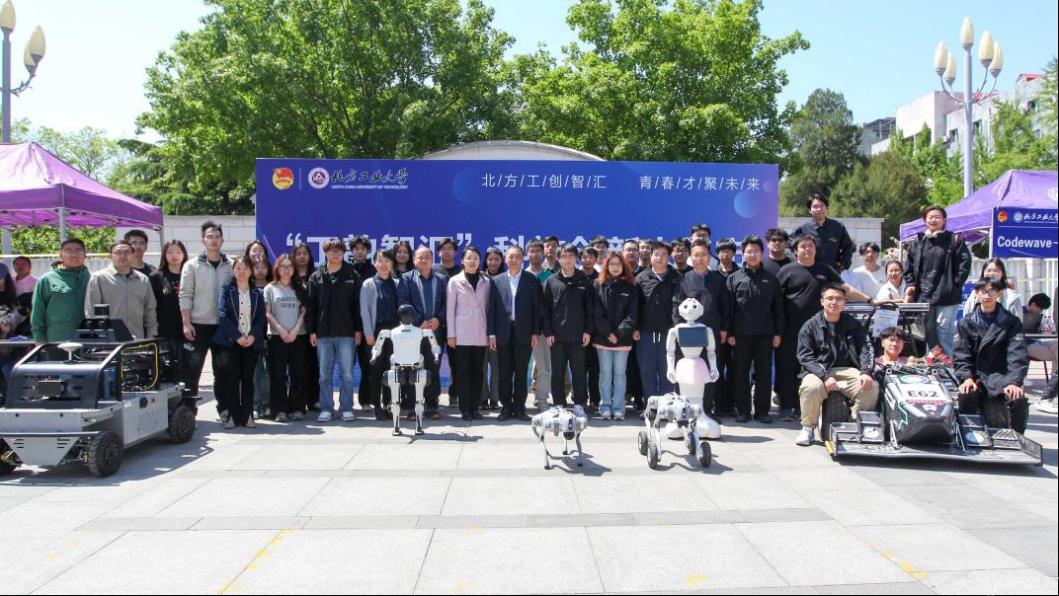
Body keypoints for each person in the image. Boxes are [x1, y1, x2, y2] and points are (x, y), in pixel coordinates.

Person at [775, 236, 871, 422]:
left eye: (810, 246)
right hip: (789, 329)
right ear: (795, 251)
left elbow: (844, 289)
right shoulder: (787, 271)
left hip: (818, 331)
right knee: (787, 368)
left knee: (812, 368)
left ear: (815, 249)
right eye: (803, 246)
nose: (807, 249)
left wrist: (869, 300)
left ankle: (805, 408)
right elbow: (775, 300)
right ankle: (787, 407)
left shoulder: (825, 270)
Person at [795, 284, 878, 446]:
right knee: (811, 387)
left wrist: (866, 372)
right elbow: (805, 357)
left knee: (871, 387)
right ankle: (808, 428)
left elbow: (865, 350)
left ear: (844, 302)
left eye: (839, 299)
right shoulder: (810, 326)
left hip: (848, 370)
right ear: (822, 301)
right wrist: (825, 376)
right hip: (818, 371)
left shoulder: (854, 324)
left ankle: (856, 423)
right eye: (830, 298)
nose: (834, 302)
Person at [954, 279, 1029, 434]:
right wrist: (966, 378)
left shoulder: (1012, 322)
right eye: (983, 291)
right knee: (966, 392)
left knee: (1018, 398)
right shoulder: (965, 323)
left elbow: (1017, 354)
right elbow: (961, 354)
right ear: (976, 294)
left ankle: (1018, 439)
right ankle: (969, 438)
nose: (987, 295)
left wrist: (1014, 382)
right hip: (976, 377)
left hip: (1002, 377)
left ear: (999, 294)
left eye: (991, 291)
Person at [725, 235, 783, 424]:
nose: (752, 254)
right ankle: (743, 410)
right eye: (749, 251)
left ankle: (762, 411)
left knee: (763, 374)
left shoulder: (771, 280)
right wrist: (729, 332)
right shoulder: (734, 278)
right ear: (743, 254)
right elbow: (729, 309)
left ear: (762, 253)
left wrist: (778, 333)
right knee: (740, 374)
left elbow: (778, 309)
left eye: (756, 251)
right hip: (740, 336)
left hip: (765, 335)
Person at [179, 222, 234, 417]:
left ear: (222, 240)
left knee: (223, 371)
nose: (214, 240)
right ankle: (188, 413)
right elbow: (185, 294)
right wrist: (186, 323)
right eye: (210, 237)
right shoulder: (191, 265)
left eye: (217, 236)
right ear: (203, 240)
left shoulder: (231, 265)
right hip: (197, 325)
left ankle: (224, 409)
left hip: (222, 327)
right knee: (191, 372)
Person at [306, 237, 363, 423]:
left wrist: (358, 329)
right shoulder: (316, 276)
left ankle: (346, 407)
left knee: (347, 374)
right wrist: (312, 331)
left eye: (339, 251)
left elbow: (357, 306)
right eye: (332, 250)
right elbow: (311, 307)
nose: (335, 254)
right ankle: (326, 408)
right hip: (323, 333)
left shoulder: (352, 275)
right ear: (325, 253)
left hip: (347, 332)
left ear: (344, 253)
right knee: (325, 374)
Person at [904, 205, 972, 357]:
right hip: (923, 295)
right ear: (925, 220)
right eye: (930, 217)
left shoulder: (954, 240)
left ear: (944, 220)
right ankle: (931, 363)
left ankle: (947, 365)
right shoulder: (918, 241)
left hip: (947, 295)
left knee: (944, 330)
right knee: (926, 331)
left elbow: (964, 265)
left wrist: (954, 283)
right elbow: (909, 266)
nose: (933, 220)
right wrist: (910, 284)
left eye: (937, 217)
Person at [487, 245, 542, 422]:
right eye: (510, 256)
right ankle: (505, 407)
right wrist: (491, 334)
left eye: (517, 256)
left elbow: (537, 308)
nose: (514, 260)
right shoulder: (497, 281)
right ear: (505, 259)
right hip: (502, 333)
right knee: (504, 373)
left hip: (524, 333)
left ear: (522, 259)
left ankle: (519, 407)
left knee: (521, 372)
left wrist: (535, 332)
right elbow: (492, 309)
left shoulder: (531, 279)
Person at [673, 240, 728, 416]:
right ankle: (685, 410)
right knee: (688, 371)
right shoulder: (684, 279)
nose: (700, 258)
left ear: (709, 257)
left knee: (710, 371)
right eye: (696, 255)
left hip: (711, 333)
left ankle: (706, 410)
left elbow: (725, 306)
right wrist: (678, 329)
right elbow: (676, 305)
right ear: (691, 257)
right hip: (689, 334)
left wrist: (724, 328)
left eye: (704, 255)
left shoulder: (718, 279)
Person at [213, 256, 266, 429]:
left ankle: (248, 415)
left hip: (251, 341)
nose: (241, 271)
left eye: (245, 268)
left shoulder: (257, 293)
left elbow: (261, 319)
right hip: (231, 341)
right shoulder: (226, 290)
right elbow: (222, 315)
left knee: (248, 379)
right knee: (232, 379)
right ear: (233, 270)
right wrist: (237, 336)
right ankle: (233, 417)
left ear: (250, 271)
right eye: (238, 268)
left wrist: (253, 336)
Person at [398, 247, 448, 420]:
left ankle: (432, 406)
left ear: (432, 259)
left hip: (435, 333)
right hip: (414, 332)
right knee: (413, 369)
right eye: (420, 257)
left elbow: (446, 303)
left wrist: (438, 319)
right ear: (414, 260)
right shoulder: (406, 278)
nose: (424, 260)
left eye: (427, 257)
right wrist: (418, 322)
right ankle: (413, 407)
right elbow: (403, 302)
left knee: (433, 369)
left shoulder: (442, 279)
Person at [543, 244, 594, 408]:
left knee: (579, 372)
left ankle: (579, 404)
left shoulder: (584, 281)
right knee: (557, 373)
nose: (567, 260)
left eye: (571, 256)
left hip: (579, 337)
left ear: (576, 258)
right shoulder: (551, 281)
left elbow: (590, 310)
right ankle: (559, 404)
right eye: (563, 256)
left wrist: (588, 331)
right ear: (558, 259)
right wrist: (548, 332)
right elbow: (545, 310)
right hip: (557, 337)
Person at [592, 252, 639, 420]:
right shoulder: (598, 285)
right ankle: (605, 406)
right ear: (606, 266)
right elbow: (596, 312)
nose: (615, 267)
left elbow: (633, 314)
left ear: (624, 266)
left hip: (623, 339)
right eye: (612, 264)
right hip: (603, 338)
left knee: (620, 374)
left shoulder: (631, 286)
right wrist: (608, 333)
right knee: (605, 374)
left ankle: (619, 407)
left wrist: (618, 334)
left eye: (618, 264)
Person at [447, 246, 490, 421]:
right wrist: (451, 334)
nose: (472, 261)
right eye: (469, 258)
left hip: (480, 334)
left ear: (480, 261)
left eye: (476, 258)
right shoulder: (455, 281)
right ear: (462, 261)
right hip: (461, 335)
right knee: (463, 373)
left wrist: (490, 333)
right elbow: (450, 310)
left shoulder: (486, 282)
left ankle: (475, 408)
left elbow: (488, 308)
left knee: (478, 373)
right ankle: (465, 409)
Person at [265, 254, 309, 422]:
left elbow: (304, 312)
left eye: (290, 266)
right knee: (278, 375)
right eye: (283, 266)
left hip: (298, 336)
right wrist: (281, 330)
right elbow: (268, 313)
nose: (286, 270)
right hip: (277, 337)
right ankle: (279, 410)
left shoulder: (300, 288)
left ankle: (297, 408)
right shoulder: (270, 288)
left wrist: (295, 330)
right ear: (277, 268)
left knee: (298, 373)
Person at [636, 240, 680, 403]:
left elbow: (678, 304)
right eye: (656, 254)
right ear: (650, 256)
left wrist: (676, 328)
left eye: (663, 255)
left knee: (667, 370)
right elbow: (635, 306)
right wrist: (635, 328)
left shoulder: (676, 278)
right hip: (645, 333)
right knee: (647, 371)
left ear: (669, 257)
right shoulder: (641, 278)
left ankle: (666, 406)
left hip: (668, 333)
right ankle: (651, 407)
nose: (660, 258)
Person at [85, 241, 157, 339]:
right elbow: (91, 311)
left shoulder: (143, 280)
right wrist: (99, 337)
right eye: (118, 252)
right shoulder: (99, 278)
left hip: (138, 338)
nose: (122, 256)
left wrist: (151, 335)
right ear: (110, 256)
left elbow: (150, 310)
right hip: (109, 339)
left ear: (132, 255)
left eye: (127, 252)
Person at [362, 249, 402, 420]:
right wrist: (368, 333)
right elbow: (364, 311)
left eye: (387, 261)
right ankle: (377, 406)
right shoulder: (368, 284)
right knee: (376, 370)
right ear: (374, 263)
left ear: (392, 263)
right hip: (376, 332)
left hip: (395, 333)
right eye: (380, 261)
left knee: (392, 370)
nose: (384, 264)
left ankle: (389, 404)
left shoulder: (398, 284)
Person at [31, 238, 91, 344]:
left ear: (85, 254)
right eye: (68, 251)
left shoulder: (93, 278)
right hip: (58, 339)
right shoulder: (47, 279)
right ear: (61, 254)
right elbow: (38, 311)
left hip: (91, 339)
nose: (74, 255)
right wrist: (39, 339)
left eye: (78, 250)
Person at [149, 240, 189, 392]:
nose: (174, 256)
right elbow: (151, 306)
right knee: (167, 370)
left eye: (178, 252)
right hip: (165, 331)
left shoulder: (190, 274)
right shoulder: (156, 277)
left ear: (184, 254)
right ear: (164, 255)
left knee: (188, 371)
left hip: (188, 331)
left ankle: (187, 401)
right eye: (170, 252)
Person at [792, 193, 855, 273]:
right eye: (815, 206)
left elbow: (848, 246)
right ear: (809, 210)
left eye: (822, 206)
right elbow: (790, 246)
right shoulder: (803, 228)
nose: (819, 209)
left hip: (832, 272)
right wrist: (797, 263)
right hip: (809, 272)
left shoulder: (838, 227)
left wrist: (844, 264)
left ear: (827, 208)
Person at [291, 242, 320, 411]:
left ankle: (314, 400)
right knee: (298, 367)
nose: (302, 257)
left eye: (305, 253)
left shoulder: (316, 276)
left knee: (314, 365)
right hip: (293, 328)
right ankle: (298, 402)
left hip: (312, 328)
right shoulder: (289, 276)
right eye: (298, 253)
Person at [350, 236, 377, 410]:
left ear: (368, 251)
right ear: (352, 251)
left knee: (368, 365)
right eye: (356, 249)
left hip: (368, 326)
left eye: (363, 249)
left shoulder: (374, 271)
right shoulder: (346, 270)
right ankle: (346, 403)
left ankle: (366, 400)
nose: (359, 252)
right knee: (347, 368)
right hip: (349, 326)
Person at [526, 239, 553, 409]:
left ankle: (541, 398)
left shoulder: (549, 276)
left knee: (544, 366)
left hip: (543, 329)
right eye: (532, 251)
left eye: (538, 251)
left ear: (543, 253)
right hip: (523, 328)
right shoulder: (521, 275)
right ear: (526, 254)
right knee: (518, 366)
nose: (535, 254)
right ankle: (516, 400)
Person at [480, 247, 505, 411]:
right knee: (481, 366)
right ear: (485, 261)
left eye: (497, 259)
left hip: (499, 330)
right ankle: (482, 398)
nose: (493, 262)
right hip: (480, 328)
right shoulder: (479, 278)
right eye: (490, 259)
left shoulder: (505, 278)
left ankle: (495, 398)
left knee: (497, 367)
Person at [963, 258, 1023, 323]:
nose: (992, 273)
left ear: (1002, 273)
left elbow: (1018, 323)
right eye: (988, 270)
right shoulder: (975, 293)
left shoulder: (1012, 297)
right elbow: (967, 315)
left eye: (995, 270)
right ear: (983, 273)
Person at [578, 247, 601, 412]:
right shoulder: (576, 276)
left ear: (596, 259)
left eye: (591, 257)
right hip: (579, 329)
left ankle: (595, 400)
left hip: (597, 331)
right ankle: (580, 399)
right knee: (579, 367)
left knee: (595, 368)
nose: (588, 260)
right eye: (584, 257)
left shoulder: (601, 277)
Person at [250, 257, 272, 418]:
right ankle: (256, 403)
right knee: (257, 371)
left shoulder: (273, 287)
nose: (260, 270)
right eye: (256, 267)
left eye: (263, 267)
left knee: (271, 372)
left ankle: (269, 403)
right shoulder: (248, 288)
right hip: (254, 336)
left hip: (272, 334)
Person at [1024, 293, 1057, 375]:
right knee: (1056, 353)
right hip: (1025, 345)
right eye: (1040, 309)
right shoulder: (1019, 312)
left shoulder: (1035, 316)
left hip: (1036, 342)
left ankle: (1054, 379)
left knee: (1056, 344)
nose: (1041, 311)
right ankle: (1055, 380)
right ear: (1033, 305)